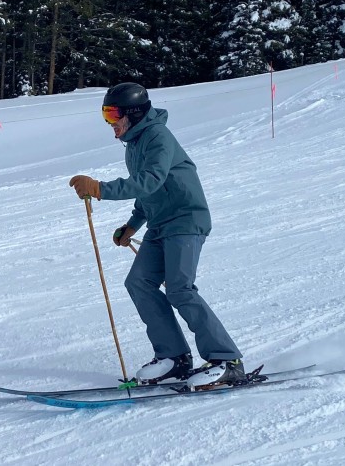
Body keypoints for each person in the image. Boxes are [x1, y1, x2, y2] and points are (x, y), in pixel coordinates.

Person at [69, 82, 246, 389]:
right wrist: (133, 225)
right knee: (138, 282)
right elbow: (148, 193)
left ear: (134, 114)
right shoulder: (135, 144)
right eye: (105, 115)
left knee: (180, 289)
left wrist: (100, 189)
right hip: (161, 223)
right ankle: (174, 358)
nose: (109, 123)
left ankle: (227, 361)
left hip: (186, 220)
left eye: (113, 114)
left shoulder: (158, 137)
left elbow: (150, 180)